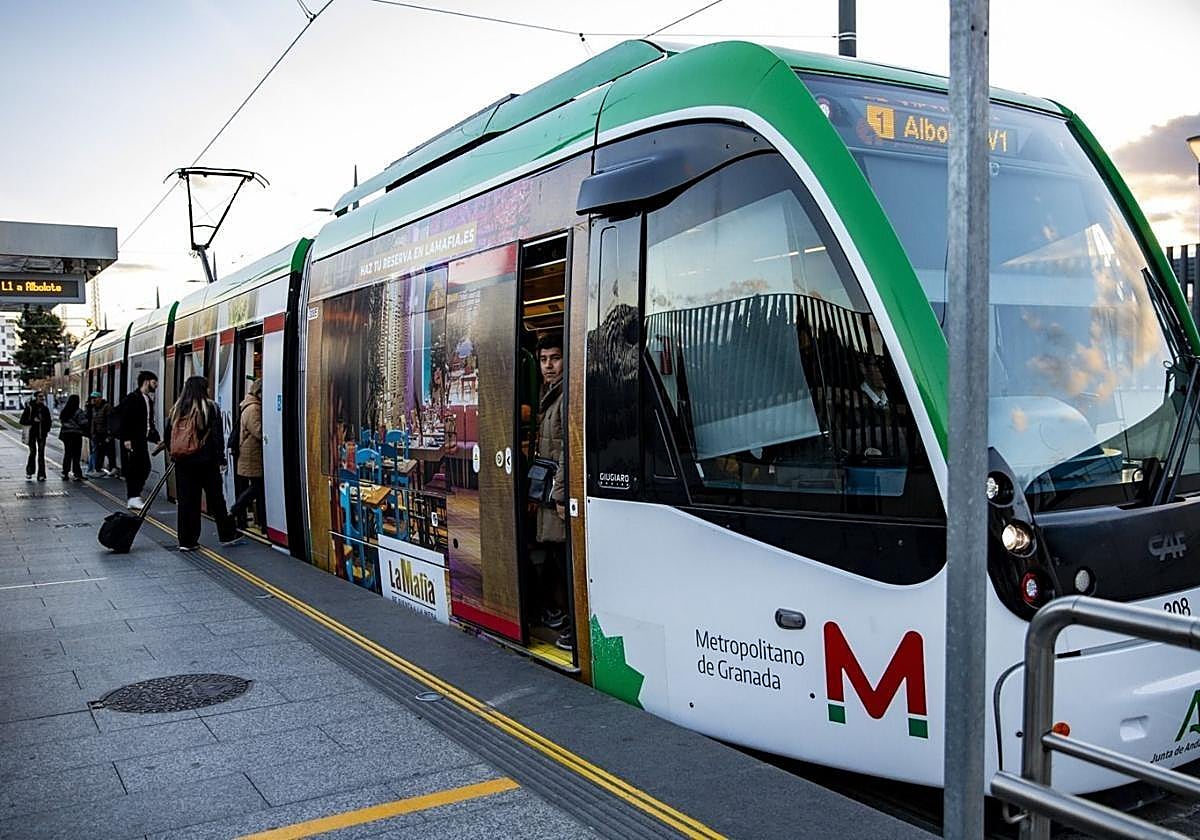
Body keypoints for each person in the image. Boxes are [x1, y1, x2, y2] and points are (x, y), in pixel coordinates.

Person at [166, 375, 241, 551]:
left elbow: (168, 435)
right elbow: (217, 438)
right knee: (216, 500)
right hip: (206, 463)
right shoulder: (210, 408)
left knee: (187, 502)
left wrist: (175, 454)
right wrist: (221, 459)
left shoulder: (176, 409)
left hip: (183, 463)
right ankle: (226, 534)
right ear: (203, 389)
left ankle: (187, 541)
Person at [531, 331, 571, 650]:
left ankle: (570, 624)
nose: (549, 366)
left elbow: (566, 451)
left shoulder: (564, 397)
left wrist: (559, 497)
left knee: (564, 560)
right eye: (543, 360)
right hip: (548, 494)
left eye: (555, 358)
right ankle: (560, 615)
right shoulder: (551, 395)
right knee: (556, 558)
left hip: (557, 497)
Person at [116, 371, 160, 509]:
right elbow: (125, 419)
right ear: (146, 381)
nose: (156, 385)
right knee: (137, 468)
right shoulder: (133, 398)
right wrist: (126, 438)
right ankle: (133, 497)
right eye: (154, 382)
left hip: (141, 439)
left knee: (144, 467)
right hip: (133, 440)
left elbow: (148, 423)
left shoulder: (148, 400)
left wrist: (156, 439)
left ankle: (134, 496)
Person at [229, 378, 265, 532]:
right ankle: (235, 511)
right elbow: (258, 431)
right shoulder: (253, 409)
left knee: (258, 489)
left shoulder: (250, 406)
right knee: (258, 488)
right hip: (252, 455)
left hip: (251, 455)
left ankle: (261, 522)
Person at [19, 392, 52, 481]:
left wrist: (46, 429)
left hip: (42, 435)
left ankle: (41, 474)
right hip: (31, 434)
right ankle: (29, 472)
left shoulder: (45, 409)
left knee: (41, 454)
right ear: (36, 397)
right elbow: (22, 421)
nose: (42, 398)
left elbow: (49, 421)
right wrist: (33, 421)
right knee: (33, 453)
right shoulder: (30, 408)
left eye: (43, 396)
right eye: (40, 396)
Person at [56, 394, 87, 481]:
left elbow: (62, 422)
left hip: (66, 435)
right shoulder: (78, 411)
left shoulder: (64, 411)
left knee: (68, 454)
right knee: (76, 455)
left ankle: (65, 473)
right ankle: (77, 473)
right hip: (76, 435)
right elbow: (83, 423)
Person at [87, 391, 117, 477]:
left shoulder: (106, 407)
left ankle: (113, 467)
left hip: (106, 434)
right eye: (92, 398)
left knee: (109, 450)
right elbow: (93, 422)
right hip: (98, 434)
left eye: (95, 398)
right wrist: (92, 433)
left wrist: (110, 434)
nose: (93, 400)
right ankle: (98, 469)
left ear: (100, 398)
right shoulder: (93, 408)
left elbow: (110, 421)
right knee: (100, 451)